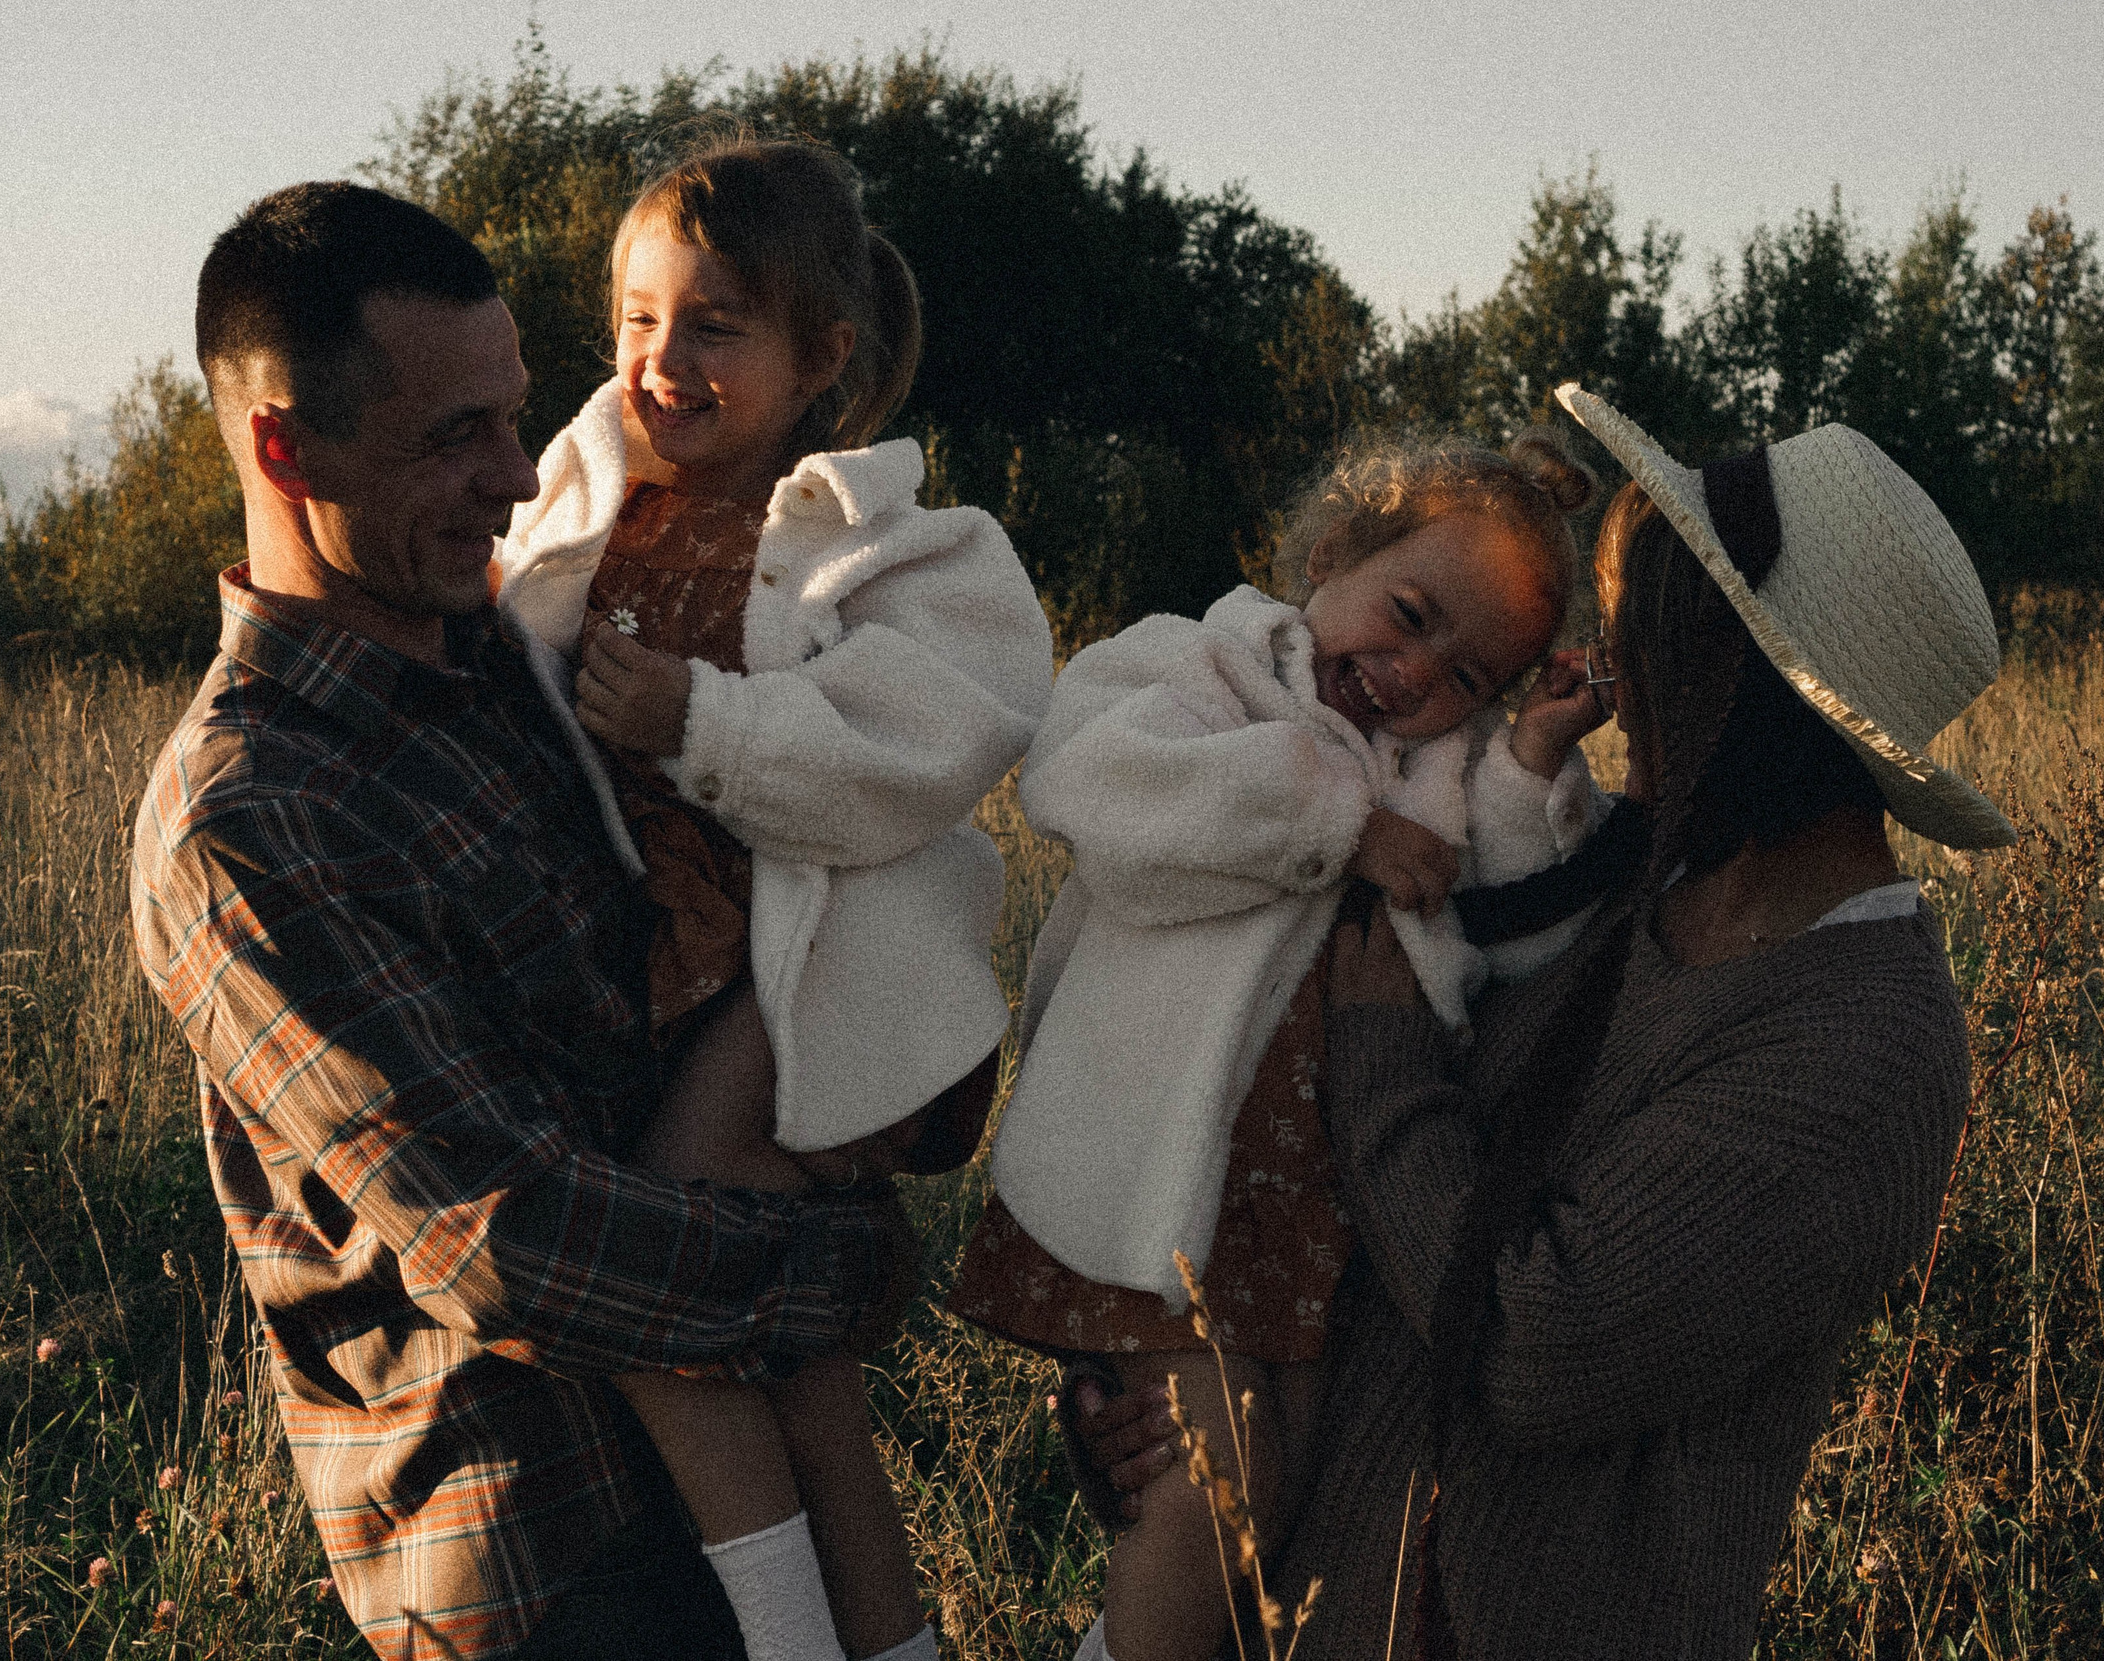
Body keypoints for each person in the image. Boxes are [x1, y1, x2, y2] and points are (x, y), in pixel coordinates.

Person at [1077, 384, 2016, 1658]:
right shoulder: (1624, 880)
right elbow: (1333, 1204)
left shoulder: (1860, 1046)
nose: (1612, 673)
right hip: (1280, 1603)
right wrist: (1159, 1391)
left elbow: (1538, 1342)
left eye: (1647, 632)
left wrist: (1381, 1048)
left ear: (1740, 677)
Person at [132, 181, 914, 1661]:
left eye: (512, 413)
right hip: (550, 1551)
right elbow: (508, 1237)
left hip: (739, 1466)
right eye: (454, 437)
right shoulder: (248, 816)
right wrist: (838, 1268)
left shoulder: (522, 654)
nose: (518, 473)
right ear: (284, 448)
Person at [493, 136, 1054, 1661]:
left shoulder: (895, 549)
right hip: (635, 978)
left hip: (792, 983)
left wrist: (703, 720)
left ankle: (789, 1637)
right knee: (789, 1355)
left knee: (656, 1276)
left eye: (715, 324)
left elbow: (932, 739)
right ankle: (895, 1644)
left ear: (825, 358)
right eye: (635, 316)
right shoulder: (577, 500)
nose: (661, 359)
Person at [948, 428, 1623, 1661]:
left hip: (1302, 1210)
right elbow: (1093, 785)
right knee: (1224, 1486)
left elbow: (1513, 939)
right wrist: (1337, 820)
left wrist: (1532, 761)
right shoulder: (1195, 663)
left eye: (1469, 676)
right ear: (1333, 554)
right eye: (1407, 614)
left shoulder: (1443, 772)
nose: (1413, 674)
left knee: (1274, 1499)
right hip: (1153, 1176)